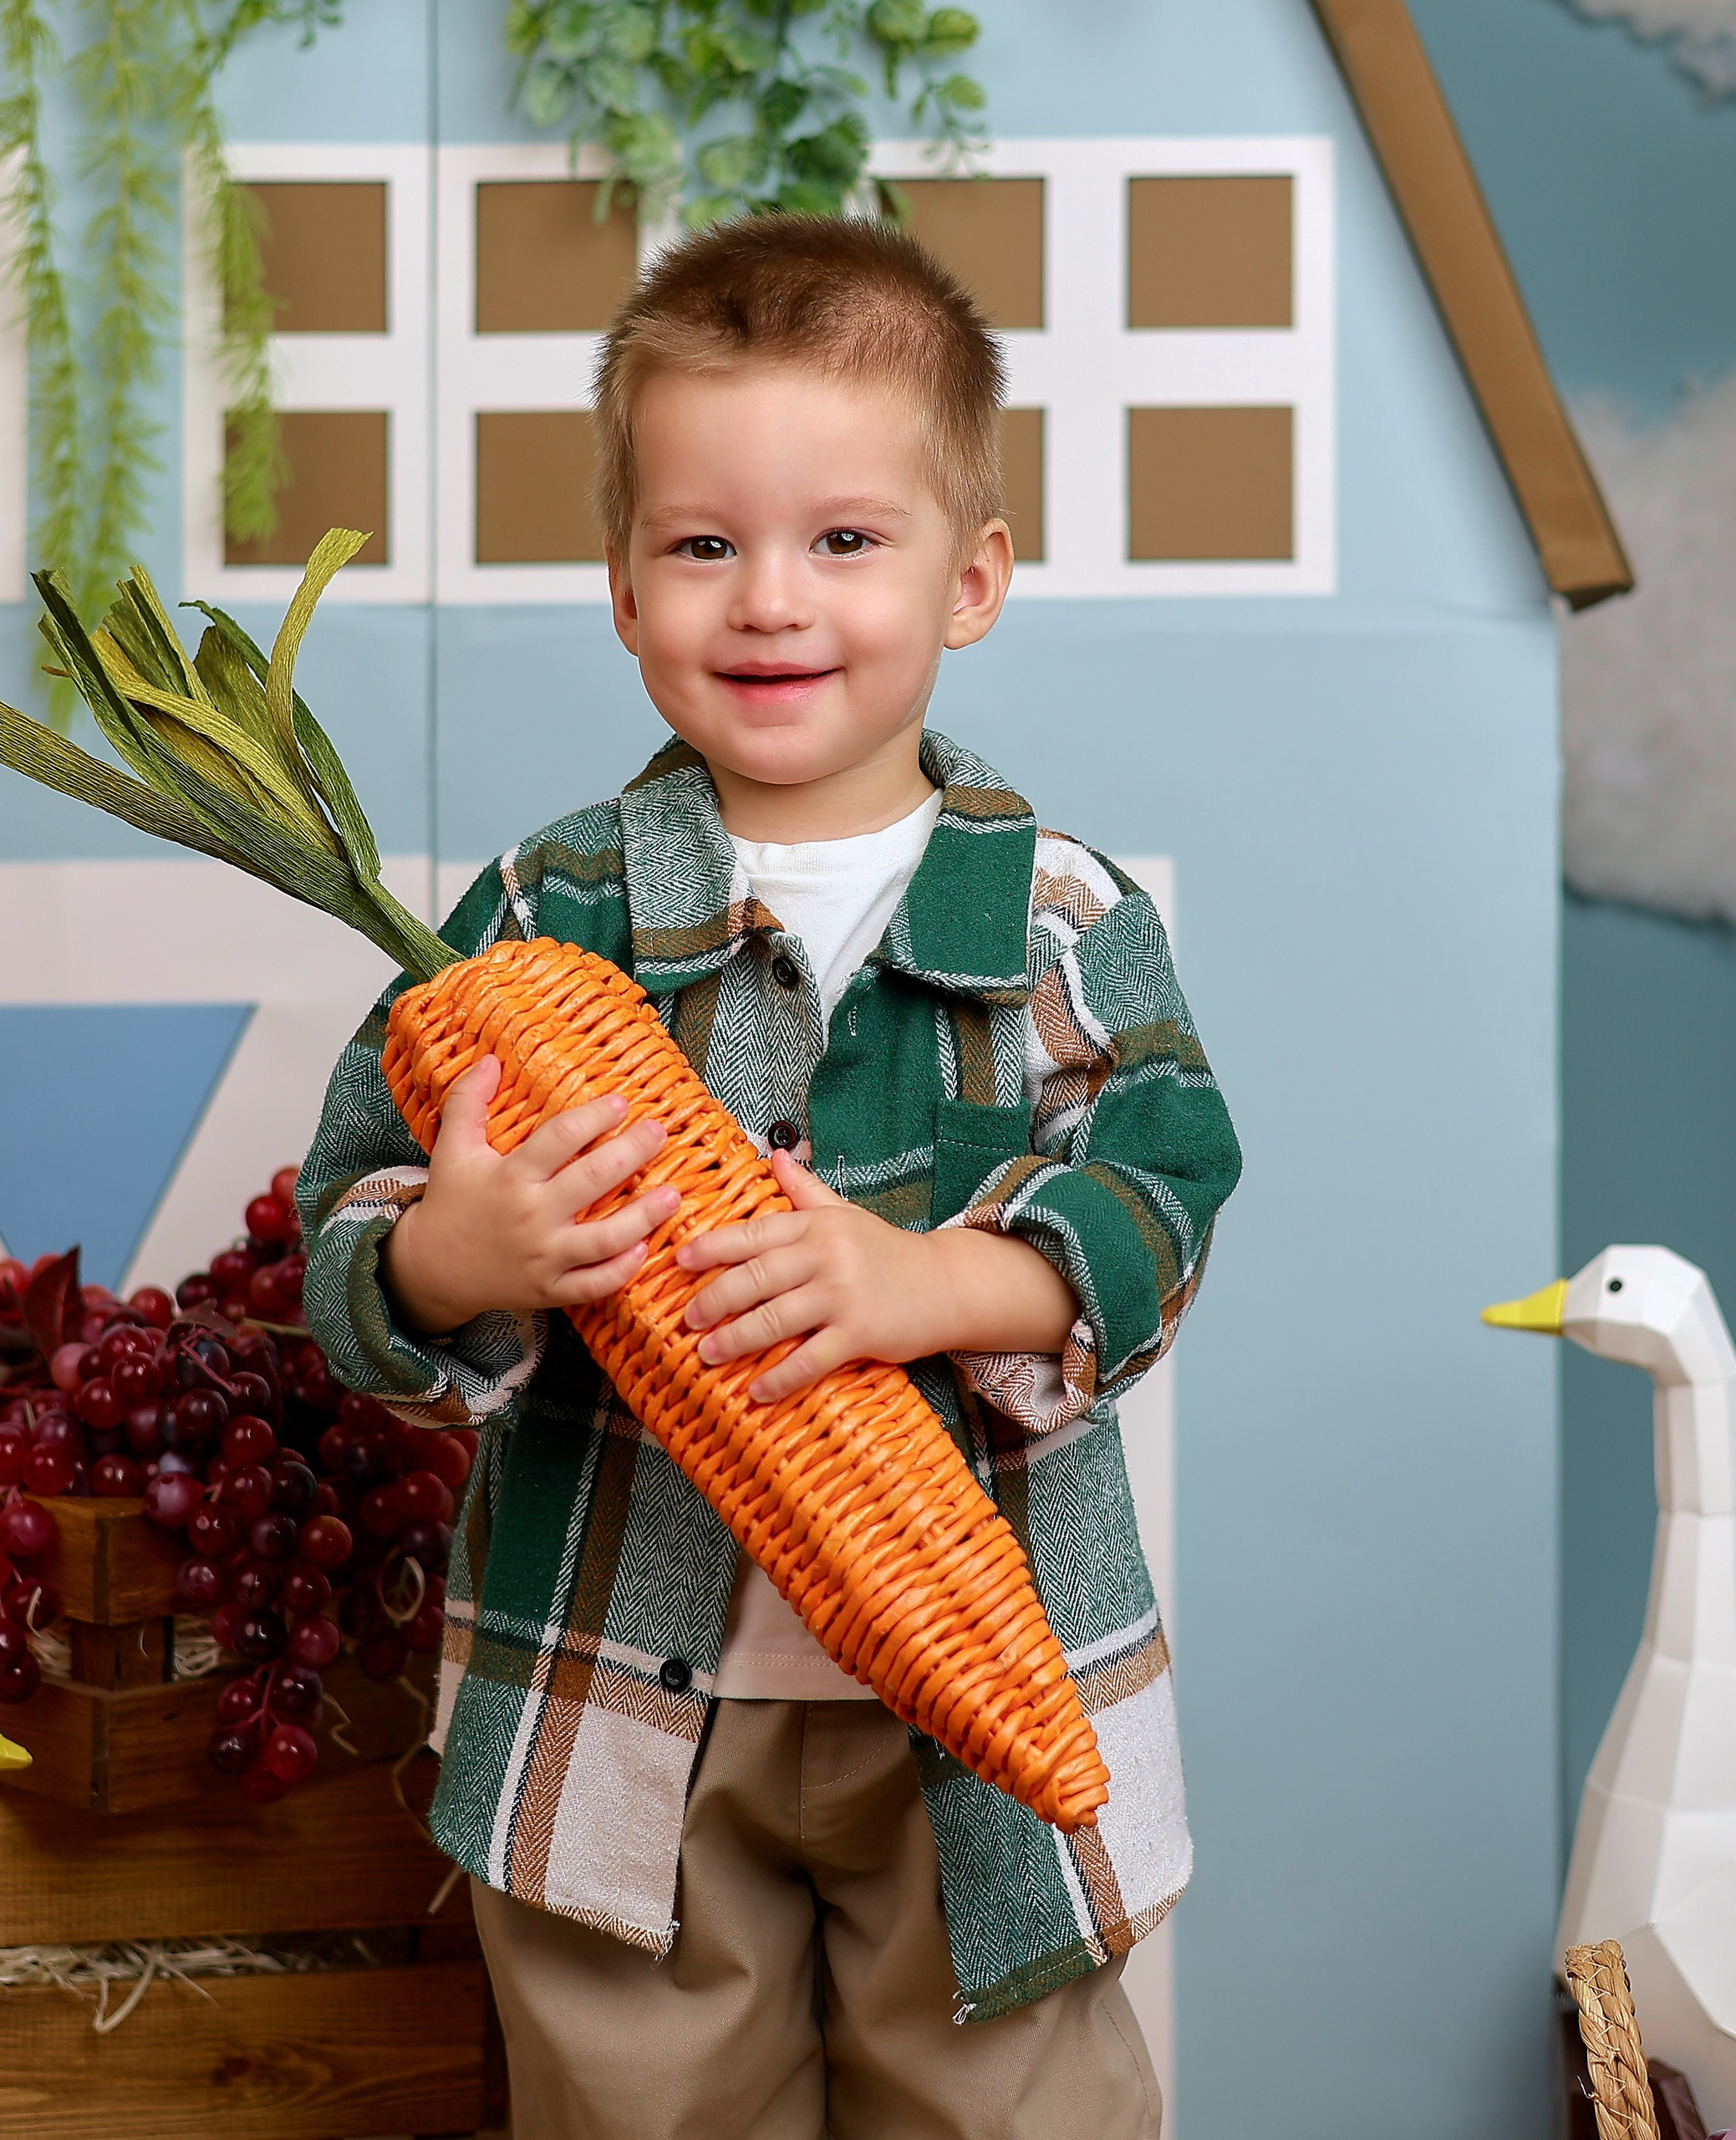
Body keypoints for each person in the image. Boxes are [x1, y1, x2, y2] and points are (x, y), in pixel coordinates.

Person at [297, 214, 1243, 2140]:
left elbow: (1166, 1181)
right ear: (624, 590)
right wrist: (454, 1255)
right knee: (639, 2102)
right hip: (620, 1703)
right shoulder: (538, 912)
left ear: (969, 578)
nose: (768, 601)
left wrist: (934, 1286)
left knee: (1017, 2107)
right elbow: (348, 1234)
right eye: (701, 543)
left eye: (842, 540)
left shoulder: (1060, 913)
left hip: (979, 1700)